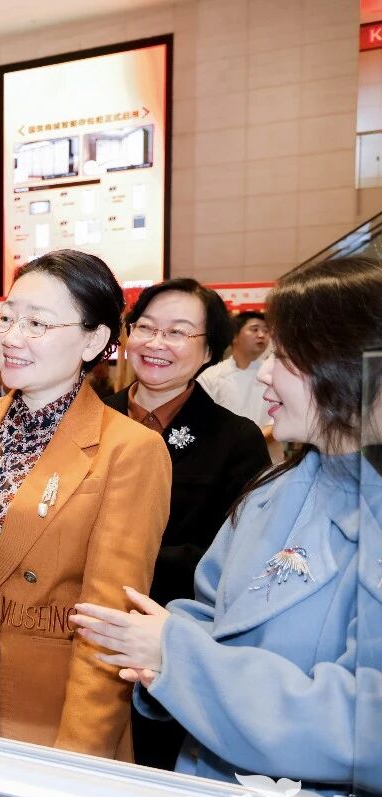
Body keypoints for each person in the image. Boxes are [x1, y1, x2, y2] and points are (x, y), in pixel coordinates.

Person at [73, 256, 382, 790]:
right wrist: (157, 648)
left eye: (284, 356)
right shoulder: (275, 490)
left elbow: (365, 725)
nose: (263, 372)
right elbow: (211, 605)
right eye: (146, 327)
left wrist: (176, 655)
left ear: (348, 364)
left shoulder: (240, 444)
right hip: (212, 787)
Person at [0, 249, 171, 762]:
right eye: (6, 318)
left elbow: (107, 622)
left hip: (54, 719)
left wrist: (78, 755)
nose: (11, 337)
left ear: (94, 340)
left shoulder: (130, 449)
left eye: (37, 323)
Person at [101, 278, 270, 770]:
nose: (156, 343)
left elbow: (236, 562)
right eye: (145, 327)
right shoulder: (87, 419)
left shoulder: (235, 440)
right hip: (69, 638)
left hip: (165, 655)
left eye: (176, 332)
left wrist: (114, 562)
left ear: (209, 351)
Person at [196, 310, 271, 429]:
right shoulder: (211, 376)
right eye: (255, 329)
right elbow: (199, 416)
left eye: (266, 331)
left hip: (267, 439)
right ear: (234, 336)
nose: (262, 335)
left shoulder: (274, 374)